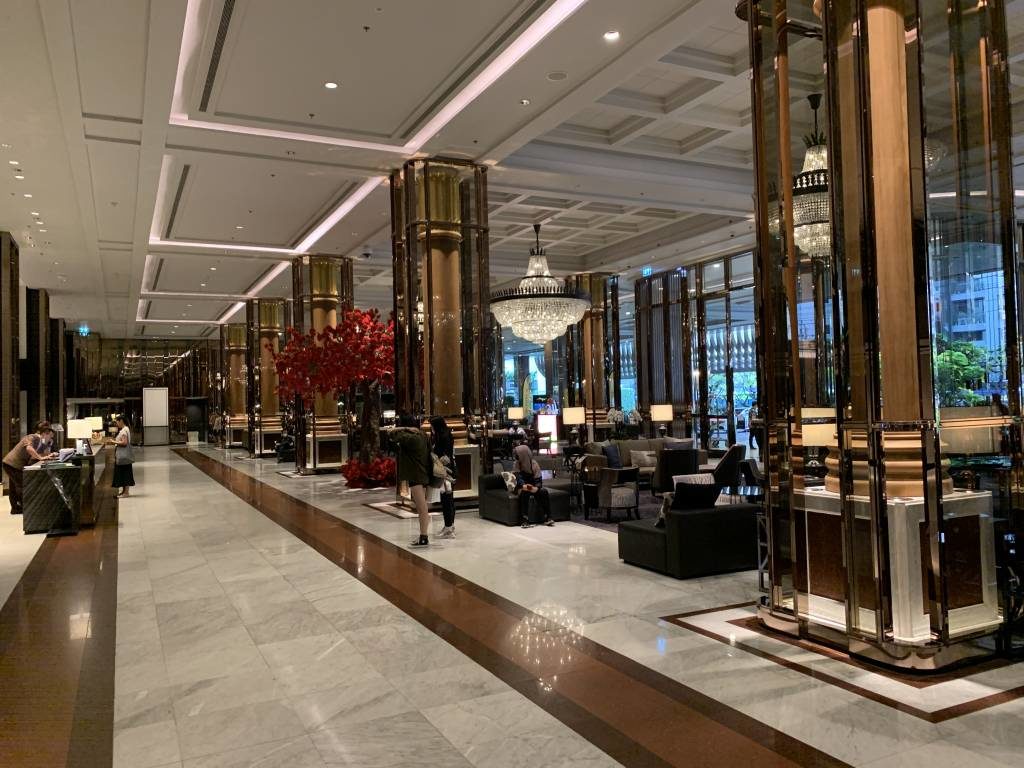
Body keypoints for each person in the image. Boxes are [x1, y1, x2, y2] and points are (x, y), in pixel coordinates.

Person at [391, 414, 432, 547]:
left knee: (421, 507)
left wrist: (402, 428)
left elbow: (392, 434)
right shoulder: (422, 435)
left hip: (416, 474)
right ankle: (423, 535)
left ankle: (424, 536)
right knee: (422, 506)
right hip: (423, 472)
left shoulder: (410, 438)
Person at [2, 422, 57, 514]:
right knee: (22, 485)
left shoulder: (40, 441)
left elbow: (39, 454)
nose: (51, 439)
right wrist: (40, 458)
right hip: (12, 464)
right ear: (44, 434)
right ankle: (26, 508)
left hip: (12, 464)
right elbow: (29, 449)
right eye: (50, 436)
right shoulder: (32, 437)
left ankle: (15, 509)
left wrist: (49, 454)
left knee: (14, 487)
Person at [513, 442, 553, 528]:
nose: (516, 456)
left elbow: (538, 480)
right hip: (521, 487)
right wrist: (523, 485)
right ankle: (524, 519)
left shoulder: (534, 464)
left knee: (543, 492)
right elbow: (518, 478)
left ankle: (548, 517)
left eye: (517, 454)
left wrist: (537, 488)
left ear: (523, 454)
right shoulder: (516, 464)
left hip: (533, 486)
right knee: (525, 492)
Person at [430, 416, 458, 539]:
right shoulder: (444, 435)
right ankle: (449, 525)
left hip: (446, 472)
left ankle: (448, 527)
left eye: (432, 426)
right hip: (447, 470)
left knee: (447, 500)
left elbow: (445, 457)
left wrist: (435, 460)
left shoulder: (444, 437)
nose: (431, 428)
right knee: (448, 500)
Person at [109, 415, 135, 497]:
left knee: (124, 473)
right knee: (125, 472)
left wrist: (114, 442)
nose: (116, 424)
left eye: (117, 422)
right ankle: (124, 492)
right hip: (125, 456)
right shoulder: (126, 429)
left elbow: (124, 443)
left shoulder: (124, 431)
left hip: (123, 456)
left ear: (121, 421)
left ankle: (126, 493)